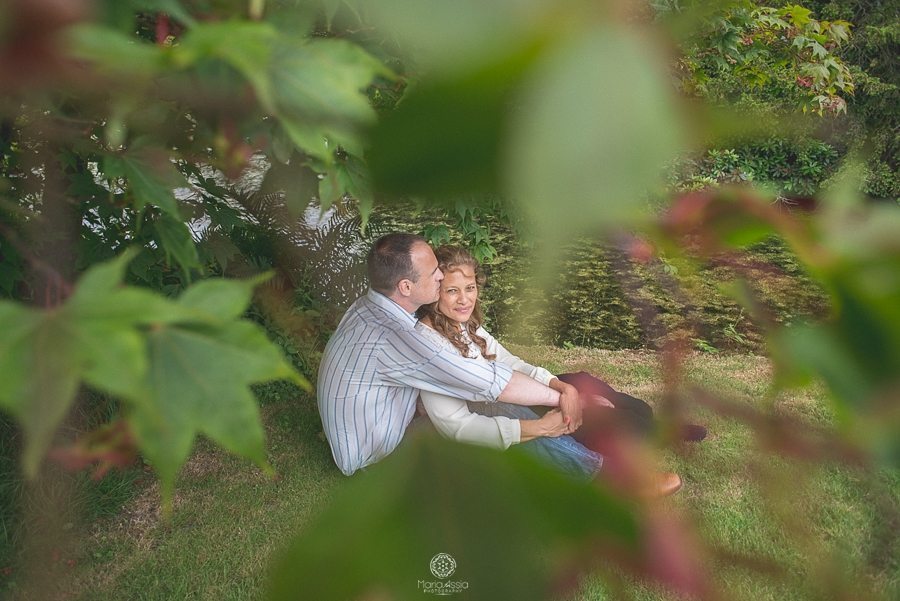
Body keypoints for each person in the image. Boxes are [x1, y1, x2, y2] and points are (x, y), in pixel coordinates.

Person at [414, 245, 697, 494]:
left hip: (509, 392)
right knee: (612, 420)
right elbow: (456, 425)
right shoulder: (429, 343)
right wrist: (542, 422)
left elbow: (510, 361)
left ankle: (649, 426)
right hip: (491, 414)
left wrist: (560, 387)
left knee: (584, 382)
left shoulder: (462, 324)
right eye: (452, 291)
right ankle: (610, 476)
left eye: (470, 288)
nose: (465, 299)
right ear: (434, 290)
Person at [316, 233, 582, 477]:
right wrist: (563, 398)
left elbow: (498, 363)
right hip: (379, 460)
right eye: (434, 274)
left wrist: (559, 388)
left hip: (369, 438)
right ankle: (587, 474)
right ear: (406, 287)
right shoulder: (404, 337)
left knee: (500, 406)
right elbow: (490, 386)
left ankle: (582, 462)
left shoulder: (370, 305)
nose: (441, 278)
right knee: (496, 407)